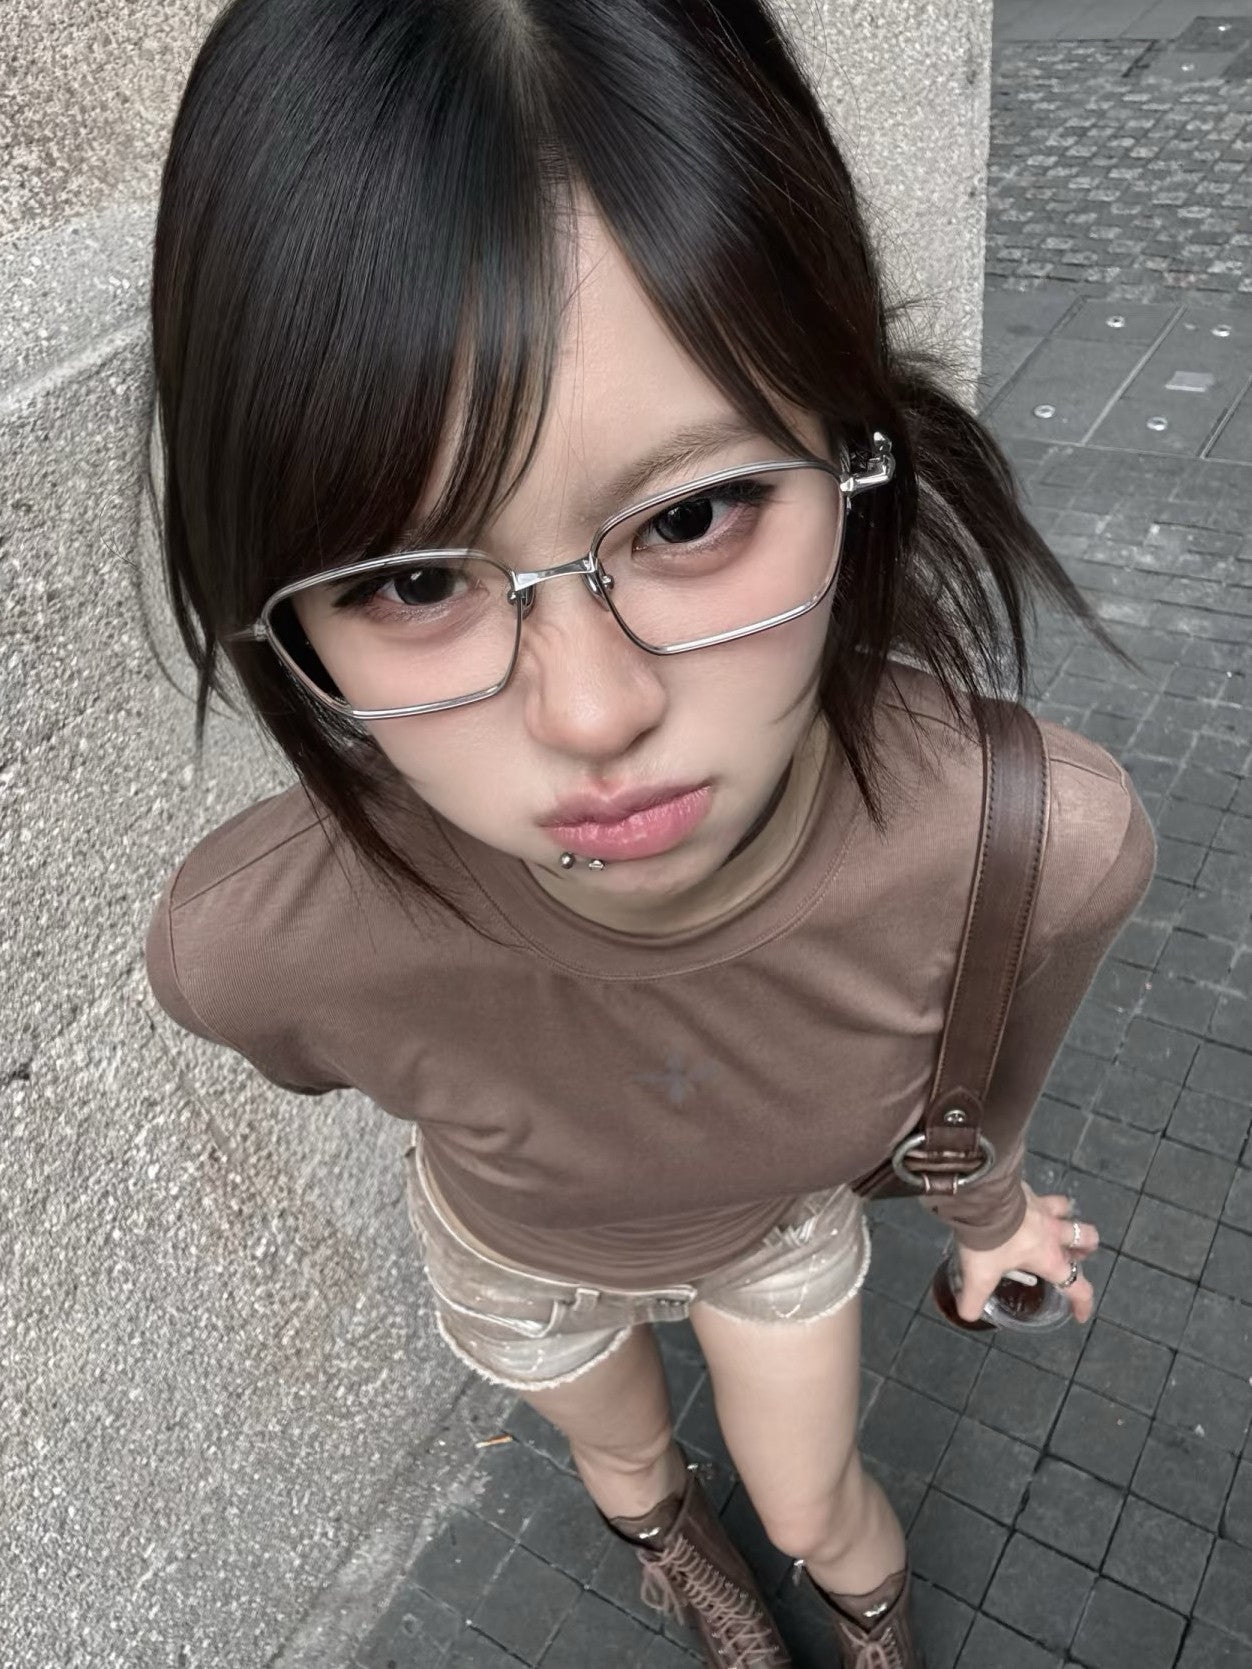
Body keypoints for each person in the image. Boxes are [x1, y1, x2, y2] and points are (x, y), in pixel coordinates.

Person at [143, 1, 1156, 1663]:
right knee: (627, 1465)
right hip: (513, 1257)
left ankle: (865, 1617)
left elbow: (984, 1083)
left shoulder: (1026, 841)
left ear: (853, 450)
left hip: (777, 1235)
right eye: (415, 578)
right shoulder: (259, 943)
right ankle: (677, 1553)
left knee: (817, 1499)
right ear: (283, 609)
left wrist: (993, 1218)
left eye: (691, 514)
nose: (594, 710)